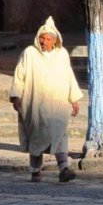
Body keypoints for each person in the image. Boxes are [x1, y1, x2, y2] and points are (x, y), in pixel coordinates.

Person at [9, 16, 83, 183]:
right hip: (35, 103)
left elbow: (69, 76)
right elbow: (19, 75)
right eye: (41, 38)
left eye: (47, 39)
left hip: (58, 103)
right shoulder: (29, 53)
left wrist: (74, 99)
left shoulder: (62, 54)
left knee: (60, 134)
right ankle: (35, 172)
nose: (43, 41)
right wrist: (16, 96)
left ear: (54, 40)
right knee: (37, 136)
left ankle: (64, 168)